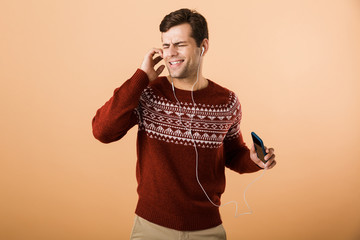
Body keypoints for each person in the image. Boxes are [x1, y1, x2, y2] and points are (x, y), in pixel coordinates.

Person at [92, 8, 276, 240]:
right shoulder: (148, 92)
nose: (171, 53)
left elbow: (232, 154)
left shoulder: (227, 102)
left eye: (179, 44)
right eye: (166, 45)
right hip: (151, 228)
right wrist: (140, 78)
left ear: (204, 46)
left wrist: (253, 160)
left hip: (207, 230)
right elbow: (102, 131)